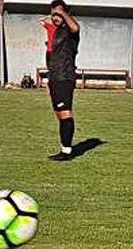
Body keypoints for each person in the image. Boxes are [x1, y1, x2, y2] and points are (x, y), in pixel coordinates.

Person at [40, 0, 80, 161]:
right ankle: (65, 148)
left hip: (64, 77)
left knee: (65, 114)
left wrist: (63, 13)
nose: (56, 17)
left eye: (59, 14)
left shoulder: (70, 31)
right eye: (53, 14)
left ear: (66, 14)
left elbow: (76, 28)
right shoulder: (56, 32)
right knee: (59, 114)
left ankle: (67, 152)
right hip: (55, 77)